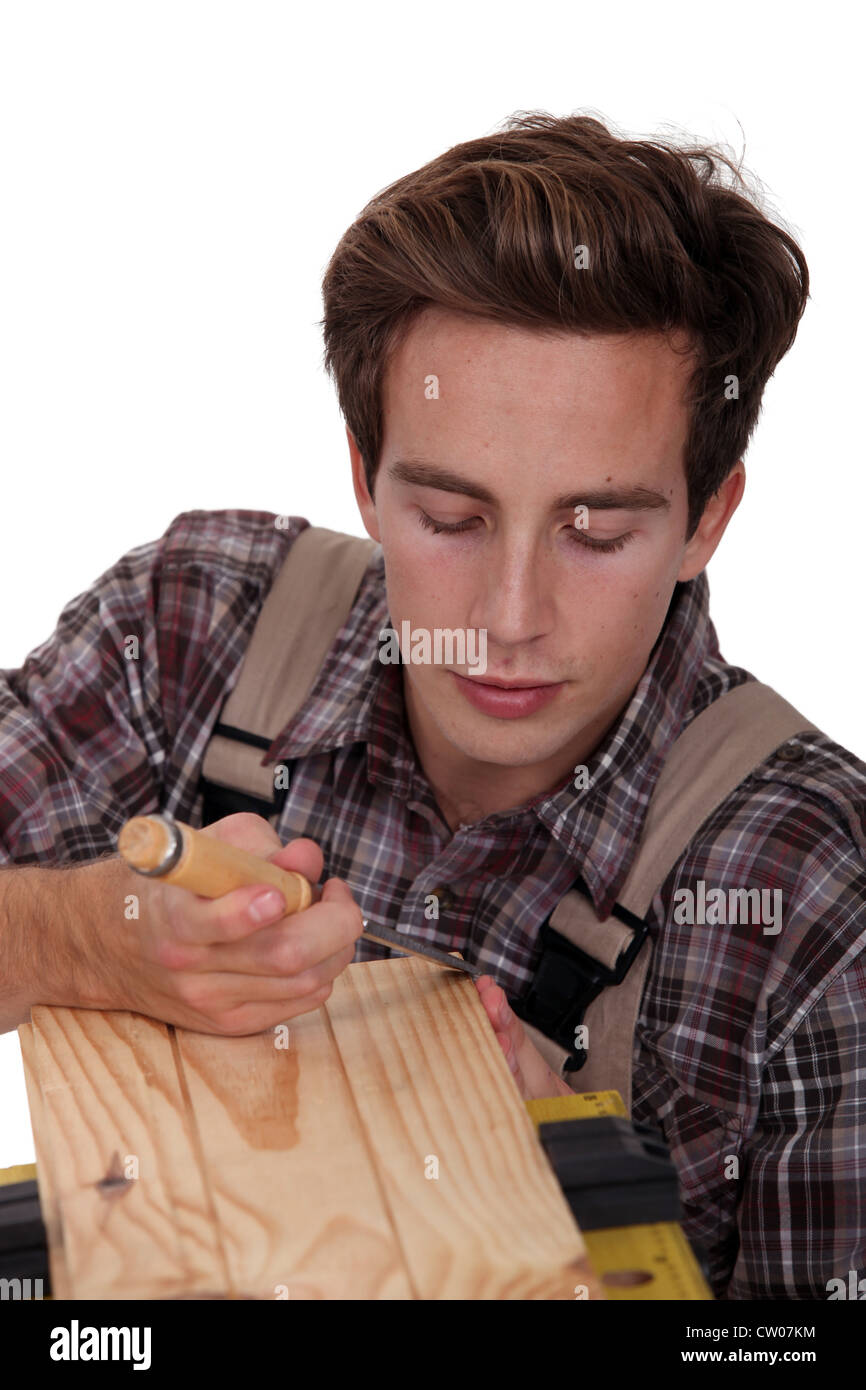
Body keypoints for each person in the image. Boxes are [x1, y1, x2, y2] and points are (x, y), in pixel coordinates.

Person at [1, 111, 863, 1300]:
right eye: (448, 518)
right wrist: (74, 935)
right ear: (363, 473)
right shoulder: (192, 625)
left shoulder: (821, 895)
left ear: (706, 517)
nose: (509, 616)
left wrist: (588, 1187)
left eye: (596, 531)